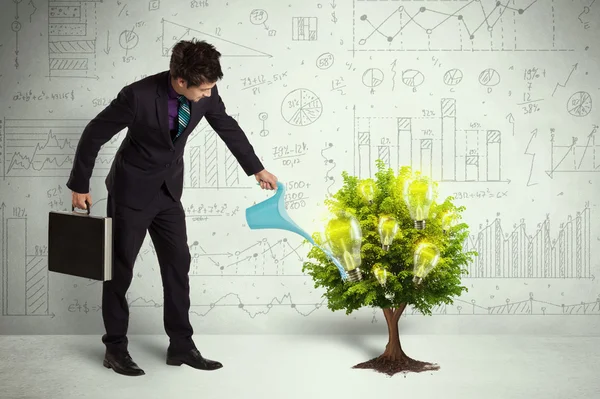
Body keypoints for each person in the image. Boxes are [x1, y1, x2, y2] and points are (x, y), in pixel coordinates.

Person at [66, 39, 278, 376]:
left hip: (167, 194)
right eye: (204, 89)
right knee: (119, 271)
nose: (209, 95)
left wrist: (257, 168)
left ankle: (181, 345)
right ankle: (115, 348)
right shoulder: (136, 96)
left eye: (211, 89)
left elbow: (227, 127)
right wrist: (80, 184)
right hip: (130, 193)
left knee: (178, 266)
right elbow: (94, 133)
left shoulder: (206, 93)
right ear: (180, 80)